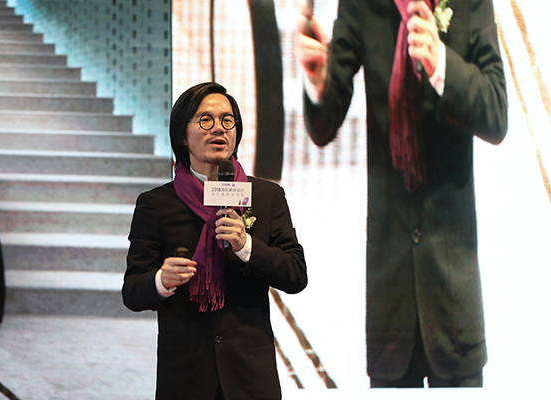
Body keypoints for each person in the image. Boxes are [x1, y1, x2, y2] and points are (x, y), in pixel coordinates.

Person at [294, 0, 507, 388]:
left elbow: (495, 114)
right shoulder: (361, 6)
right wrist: (316, 80)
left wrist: (440, 63)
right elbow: (324, 126)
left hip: (453, 292)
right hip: (389, 296)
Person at [122, 82, 307, 399]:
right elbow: (133, 291)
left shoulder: (266, 197)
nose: (218, 128)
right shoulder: (156, 204)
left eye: (227, 120)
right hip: (185, 380)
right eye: (205, 120)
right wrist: (161, 281)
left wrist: (246, 246)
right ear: (183, 135)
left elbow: (295, 275)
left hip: (250, 379)